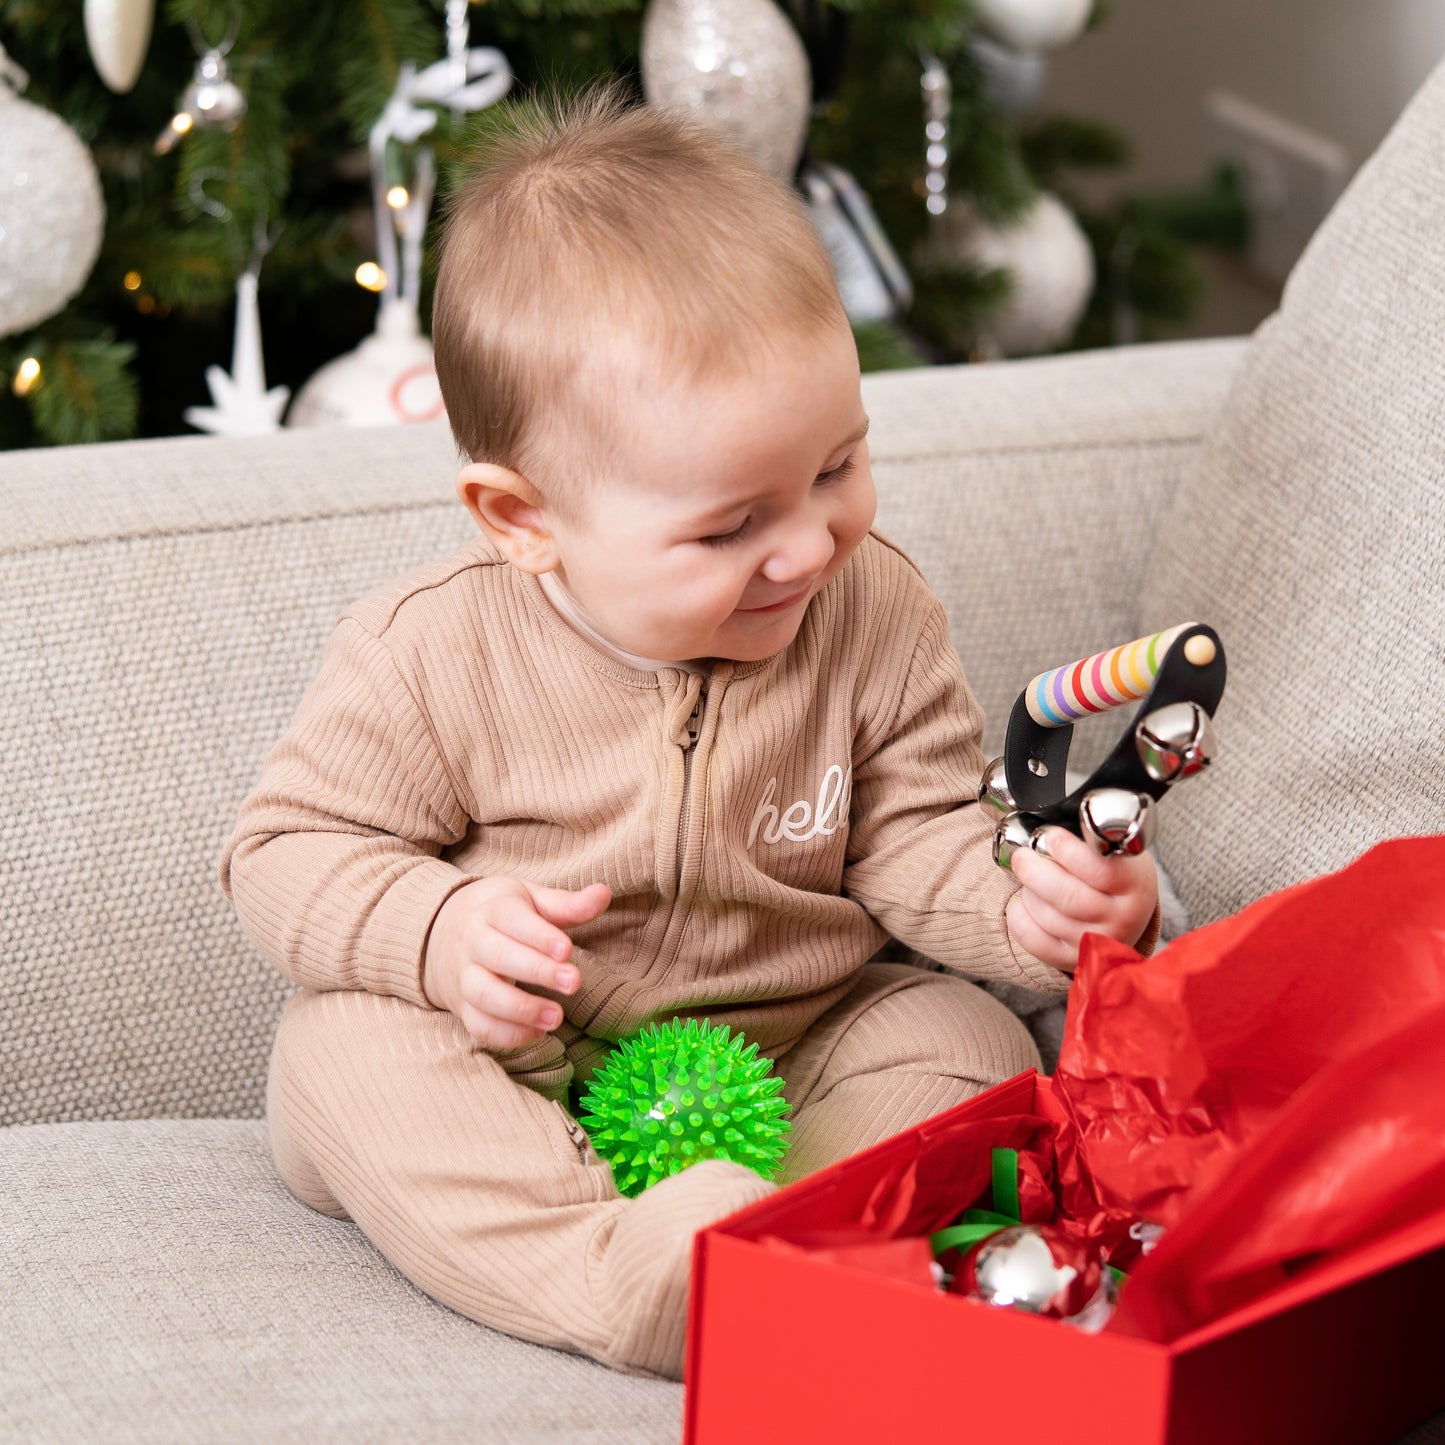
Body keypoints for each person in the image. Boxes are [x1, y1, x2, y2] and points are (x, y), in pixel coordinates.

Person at [220, 86, 1158, 1380]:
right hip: (519, 1059)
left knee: (966, 1040)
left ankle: (778, 1236)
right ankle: (614, 1274)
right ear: (522, 520)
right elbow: (280, 851)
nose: (809, 547)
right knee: (343, 1049)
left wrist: (1034, 909)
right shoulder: (430, 650)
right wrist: (437, 931)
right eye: (729, 525)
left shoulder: (873, 608)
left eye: (836, 467)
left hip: (787, 1045)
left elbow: (921, 832)